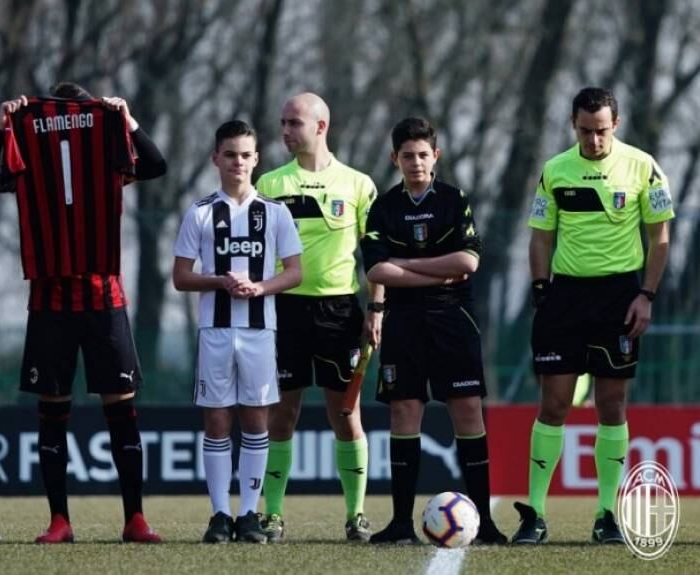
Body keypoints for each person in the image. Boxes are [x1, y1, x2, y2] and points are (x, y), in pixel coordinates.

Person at [0, 82, 167, 543]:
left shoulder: (107, 146)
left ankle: (134, 518)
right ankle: (59, 520)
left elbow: (157, 165)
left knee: (120, 408)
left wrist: (126, 119)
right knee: (52, 410)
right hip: (50, 299)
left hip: (104, 298)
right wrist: (3, 129)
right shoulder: (27, 141)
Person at [513, 87, 674, 545]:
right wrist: (541, 289)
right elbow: (540, 235)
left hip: (619, 296)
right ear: (573, 125)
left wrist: (646, 294)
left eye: (602, 131)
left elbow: (659, 238)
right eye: (585, 131)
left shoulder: (643, 166)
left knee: (611, 404)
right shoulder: (555, 170)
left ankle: (607, 513)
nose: (594, 140)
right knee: (555, 404)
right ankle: (536, 515)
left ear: (615, 125)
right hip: (565, 298)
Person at [362, 117, 507, 545]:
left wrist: (405, 265)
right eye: (407, 155)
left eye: (423, 154)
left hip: (453, 319)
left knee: (466, 412)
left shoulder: (453, 200)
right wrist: (434, 271)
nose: (416, 162)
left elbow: (468, 263)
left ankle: (486, 524)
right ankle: (401, 523)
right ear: (395, 159)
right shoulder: (384, 207)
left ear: (435, 156)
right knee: (404, 412)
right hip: (403, 320)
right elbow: (375, 268)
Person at [257, 92, 382, 542]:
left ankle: (356, 515)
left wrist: (377, 308)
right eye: (283, 122)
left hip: (340, 310)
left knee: (345, 414)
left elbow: (375, 255)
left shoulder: (357, 184)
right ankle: (271, 515)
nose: (286, 131)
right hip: (285, 310)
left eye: (294, 123)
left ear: (321, 127)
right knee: (282, 413)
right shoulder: (269, 184)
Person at [173, 120, 303, 543]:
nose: (238, 162)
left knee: (255, 418)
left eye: (246, 155)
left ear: (257, 160)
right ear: (216, 158)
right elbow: (181, 277)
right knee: (216, 420)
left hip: (260, 331)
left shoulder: (275, 212)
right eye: (230, 154)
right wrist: (221, 281)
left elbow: (295, 272)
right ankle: (219, 515)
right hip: (215, 330)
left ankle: (248, 514)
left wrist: (261, 287)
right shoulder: (200, 213)